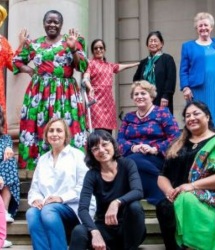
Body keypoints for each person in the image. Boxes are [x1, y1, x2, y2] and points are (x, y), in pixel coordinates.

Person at [157, 101, 215, 250]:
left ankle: (202, 244)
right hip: (179, 195)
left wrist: (192, 186)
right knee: (164, 207)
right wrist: (169, 191)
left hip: (213, 199)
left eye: (196, 113)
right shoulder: (178, 144)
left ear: (207, 117)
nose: (191, 118)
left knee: (188, 199)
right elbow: (163, 175)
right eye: (187, 116)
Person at [13, 10, 88, 170]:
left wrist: (73, 48)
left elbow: (82, 66)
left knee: (66, 126)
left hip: (65, 92)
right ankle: (37, 167)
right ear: (44, 23)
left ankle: (70, 166)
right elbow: (17, 61)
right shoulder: (35, 44)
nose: (52, 25)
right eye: (49, 21)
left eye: (56, 22)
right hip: (40, 93)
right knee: (40, 126)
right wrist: (30, 71)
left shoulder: (72, 40)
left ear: (61, 24)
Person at [26, 118, 96, 250]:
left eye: (59, 130)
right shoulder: (43, 160)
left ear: (66, 135)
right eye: (51, 131)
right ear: (46, 135)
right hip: (48, 208)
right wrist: (36, 199)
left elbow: (84, 187)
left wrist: (61, 198)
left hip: (73, 207)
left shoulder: (77, 155)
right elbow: (35, 187)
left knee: (49, 210)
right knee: (31, 213)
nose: (54, 134)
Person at [69, 130, 146, 250]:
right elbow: (83, 209)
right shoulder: (91, 175)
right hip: (104, 229)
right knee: (79, 230)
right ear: (92, 153)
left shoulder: (128, 164)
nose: (101, 150)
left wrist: (117, 202)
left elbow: (138, 191)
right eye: (95, 148)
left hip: (129, 229)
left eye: (104, 144)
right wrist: (94, 232)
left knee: (135, 207)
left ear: (113, 145)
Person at [117, 80, 180, 206]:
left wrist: (154, 149)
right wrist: (133, 147)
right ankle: (160, 191)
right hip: (132, 155)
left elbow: (176, 137)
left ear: (151, 95)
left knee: (131, 163)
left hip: (156, 157)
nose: (139, 96)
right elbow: (120, 140)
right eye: (136, 94)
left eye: (143, 93)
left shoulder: (163, 113)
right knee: (131, 161)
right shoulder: (128, 117)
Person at [82, 39, 139, 134]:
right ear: (92, 51)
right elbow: (85, 78)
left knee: (108, 132)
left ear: (104, 50)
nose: (98, 50)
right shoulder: (90, 63)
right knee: (98, 131)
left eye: (101, 48)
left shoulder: (109, 66)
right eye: (96, 48)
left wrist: (138, 64)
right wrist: (90, 87)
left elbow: (121, 66)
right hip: (96, 101)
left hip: (108, 102)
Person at [133, 31, 176, 114]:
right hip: (146, 100)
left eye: (155, 41)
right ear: (147, 45)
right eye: (150, 41)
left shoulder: (167, 59)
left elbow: (171, 79)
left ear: (162, 43)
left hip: (162, 99)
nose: (153, 43)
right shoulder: (143, 62)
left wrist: (166, 96)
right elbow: (136, 80)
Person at [0, 105, 20, 225]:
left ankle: (4, 211)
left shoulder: (5, 138)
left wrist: (8, 148)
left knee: (9, 162)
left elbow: (9, 148)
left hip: (3, 177)